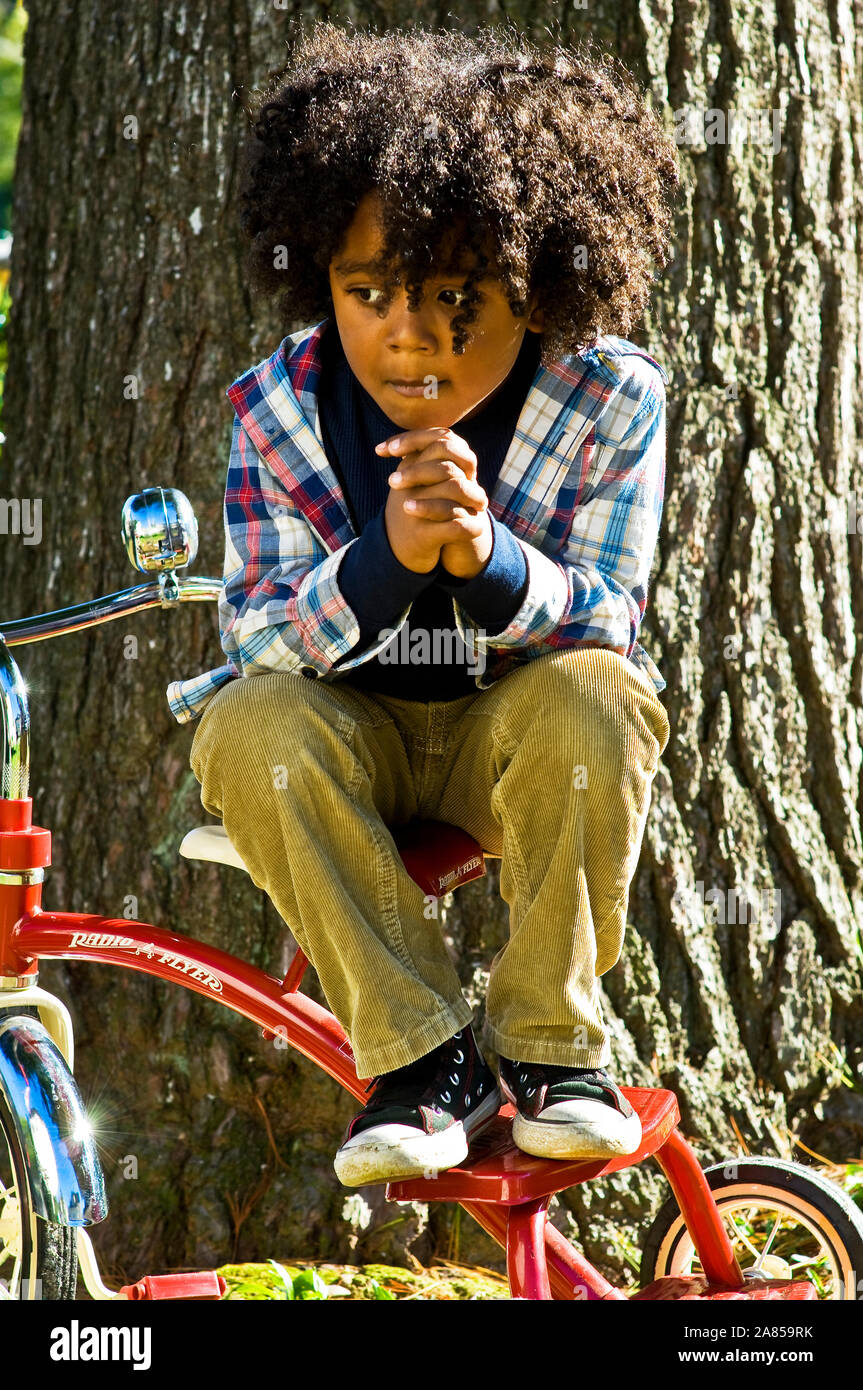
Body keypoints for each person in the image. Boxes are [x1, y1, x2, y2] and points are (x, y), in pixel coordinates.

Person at [169, 19, 680, 1186]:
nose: (405, 335)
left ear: (539, 283)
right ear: (321, 278)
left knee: (599, 698)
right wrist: (384, 562)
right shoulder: (277, 408)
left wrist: (489, 560)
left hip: (517, 740)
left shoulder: (605, 397)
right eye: (366, 292)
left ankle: (554, 1049)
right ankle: (421, 1059)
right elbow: (256, 633)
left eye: (454, 295)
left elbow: (609, 619)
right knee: (246, 726)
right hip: (356, 741)